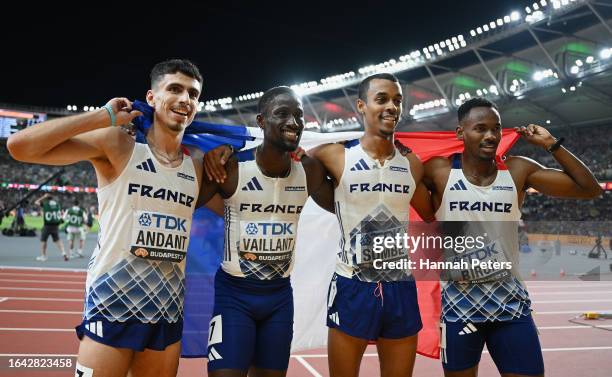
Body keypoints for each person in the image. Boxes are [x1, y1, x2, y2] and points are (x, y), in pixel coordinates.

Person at [8, 58, 212, 377]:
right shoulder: (118, 144)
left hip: (166, 314)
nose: (186, 99)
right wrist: (101, 116)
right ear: (151, 97)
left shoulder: (197, 166)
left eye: (194, 94)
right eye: (175, 89)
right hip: (111, 307)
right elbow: (20, 147)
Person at [423, 97, 603, 377]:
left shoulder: (518, 170)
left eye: (496, 128)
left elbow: (589, 189)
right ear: (460, 132)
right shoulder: (439, 171)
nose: (490, 135)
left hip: (510, 306)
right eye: (480, 128)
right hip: (458, 307)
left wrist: (551, 144)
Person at [199, 86, 334, 377]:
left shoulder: (309, 170)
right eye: (282, 114)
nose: (293, 122)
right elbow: (187, 195)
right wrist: (208, 153)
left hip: (279, 297)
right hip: (234, 295)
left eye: (299, 115)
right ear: (261, 122)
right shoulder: (232, 166)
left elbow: (347, 205)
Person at [308, 73, 434, 377]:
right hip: (352, 285)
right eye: (382, 99)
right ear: (361, 106)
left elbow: (430, 212)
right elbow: (294, 168)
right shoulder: (335, 155)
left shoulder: (412, 164)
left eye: (397, 100)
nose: (391, 106)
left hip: (400, 286)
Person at [34, 193, 67, 261]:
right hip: (55, 225)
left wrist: (43, 197)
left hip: (47, 225)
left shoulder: (45, 204)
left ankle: (43, 256)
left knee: (43, 240)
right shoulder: (57, 204)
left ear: (46, 199)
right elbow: (60, 214)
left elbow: (36, 202)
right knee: (58, 240)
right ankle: (64, 253)